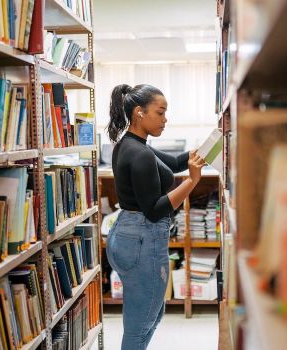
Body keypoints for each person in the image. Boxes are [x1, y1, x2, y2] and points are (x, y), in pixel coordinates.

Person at [105, 84, 206, 350]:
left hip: (127, 233)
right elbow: (155, 209)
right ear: (139, 112)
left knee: (150, 314)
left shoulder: (131, 144)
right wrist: (192, 182)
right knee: (141, 323)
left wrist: (208, 147)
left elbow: (173, 163)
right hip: (141, 238)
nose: (165, 119)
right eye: (160, 113)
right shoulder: (139, 154)